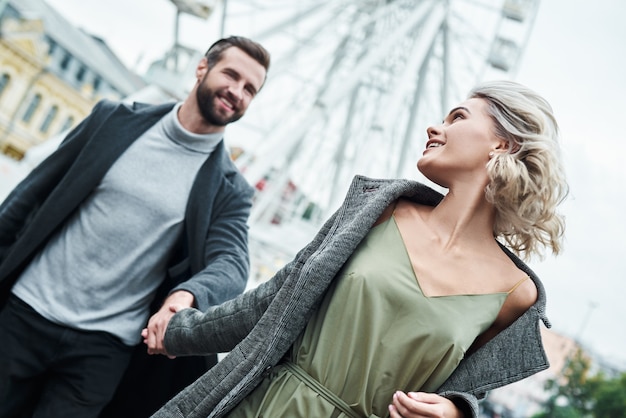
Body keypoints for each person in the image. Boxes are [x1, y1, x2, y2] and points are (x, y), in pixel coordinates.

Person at [147, 80, 568, 418]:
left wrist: (456, 412)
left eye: (458, 117)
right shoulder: (378, 210)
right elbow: (273, 303)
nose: (434, 127)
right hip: (264, 405)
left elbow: (465, 390)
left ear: (503, 145)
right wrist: (176, 331)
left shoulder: (515, 295)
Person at [0, 35, 270, 418]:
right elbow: (29, 197)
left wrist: (185, 298)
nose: (237, 92)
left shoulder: (230, 189)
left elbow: (232, 262)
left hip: (100, 351)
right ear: (202, 68)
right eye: (231, 74)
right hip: (24, 315)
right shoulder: (113, 119)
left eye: (250, 89)